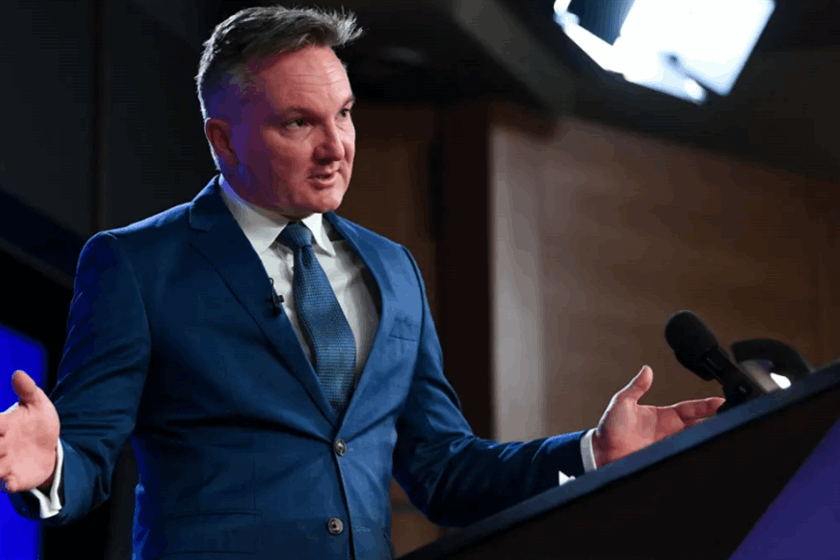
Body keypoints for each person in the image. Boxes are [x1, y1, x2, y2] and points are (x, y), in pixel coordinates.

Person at [0, 5, 724, 559]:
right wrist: (48, 465)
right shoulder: (135, 265)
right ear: (223, 139)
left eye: (344, 113)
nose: (337, 147)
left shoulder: (393, 269)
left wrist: (591, 452)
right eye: (298, 123)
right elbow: (89, 451)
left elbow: (442, 470)